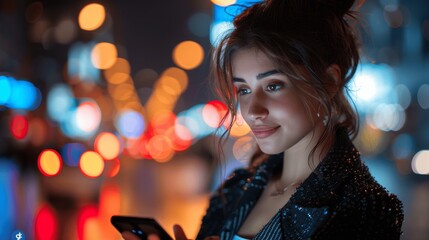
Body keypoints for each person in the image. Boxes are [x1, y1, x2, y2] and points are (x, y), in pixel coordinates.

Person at [123, 0, 404, 239]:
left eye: (273, 86)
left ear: (329, 82)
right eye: (243, 89)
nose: (253, 110)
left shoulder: (365, 209)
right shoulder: (234, 189)